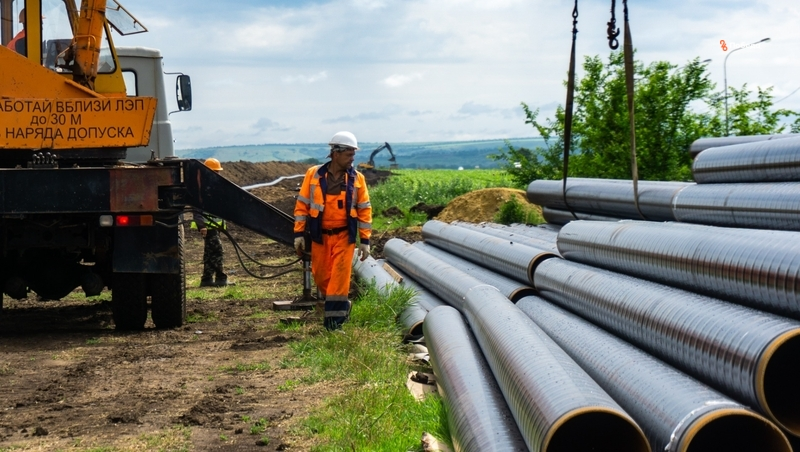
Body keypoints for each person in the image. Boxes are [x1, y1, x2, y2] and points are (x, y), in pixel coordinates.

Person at [293, 131, 372, 330]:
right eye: (349, 154)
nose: (352, 159)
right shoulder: (314, 174)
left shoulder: (357, 179)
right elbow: (302, 205)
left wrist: (365, 240)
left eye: (353, 154)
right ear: (335, 153)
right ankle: (342, 307)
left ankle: (334, 326)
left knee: (338, 281)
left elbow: (364, 210)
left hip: (344, 237)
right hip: (320, 237)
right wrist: (298, 234)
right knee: (321, 277)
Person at [194, 158, 233, 287]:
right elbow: (197, 208)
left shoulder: (211, 187)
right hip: (208, 227)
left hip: (214, 226)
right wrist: (202, 226)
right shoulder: (202, 188)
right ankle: (221, 278)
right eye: (215, 171)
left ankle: (207, 279)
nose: (218, 174)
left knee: (210, 253)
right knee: (218, 251)